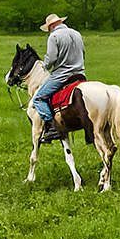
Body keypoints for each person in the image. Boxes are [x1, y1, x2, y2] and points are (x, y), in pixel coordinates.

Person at [32, 13, 86, 142]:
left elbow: (51, 58)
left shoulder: (54, 36)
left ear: (51, 26)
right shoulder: (76, 33)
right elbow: (83, 52)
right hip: (79, 74)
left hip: (62, 75)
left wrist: (45, 66)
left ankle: (51, 128)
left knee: (38, 98)